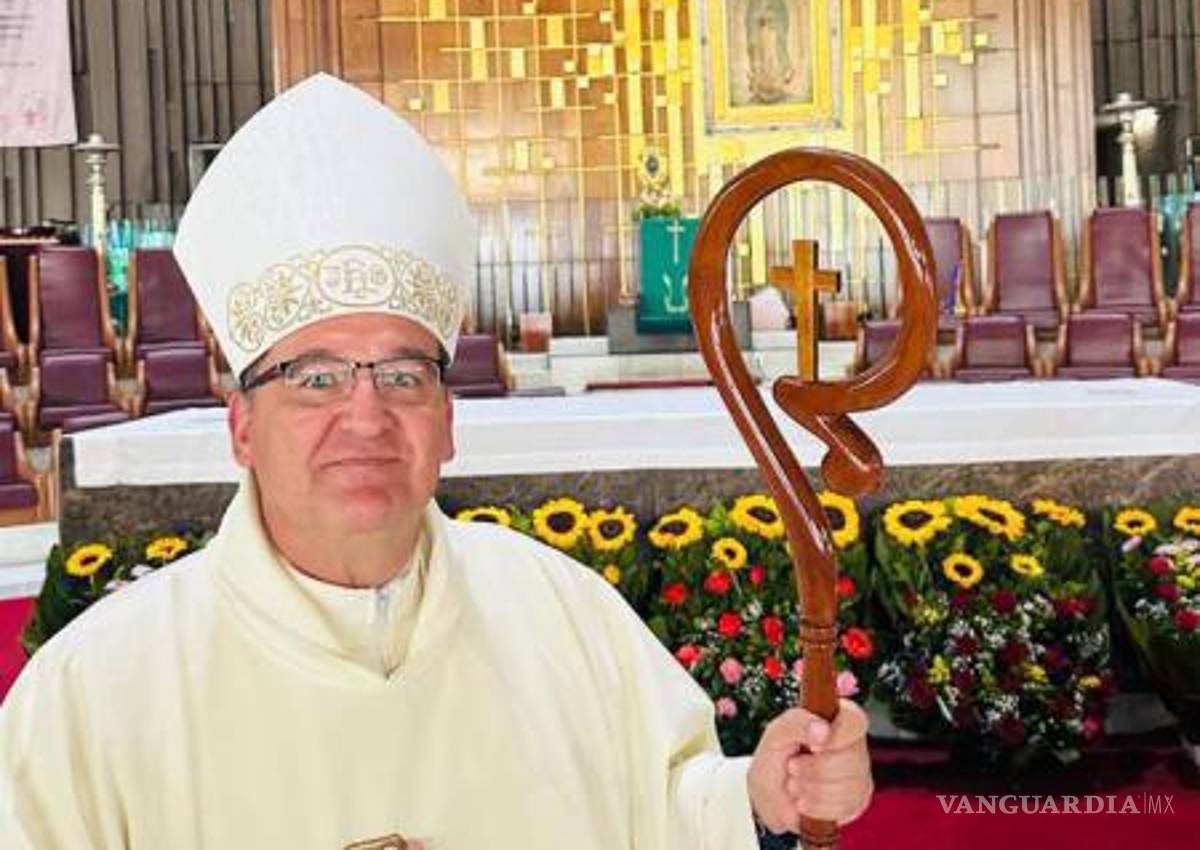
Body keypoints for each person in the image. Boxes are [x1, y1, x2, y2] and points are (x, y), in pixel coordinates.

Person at [0, 74, 871, 849]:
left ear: (447, 423)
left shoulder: (563, 616)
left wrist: (763, 802)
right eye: (315, 379)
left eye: (404, 375)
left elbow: (673, 811)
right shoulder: (93, 693)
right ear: (242, 428)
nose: (366, 415)